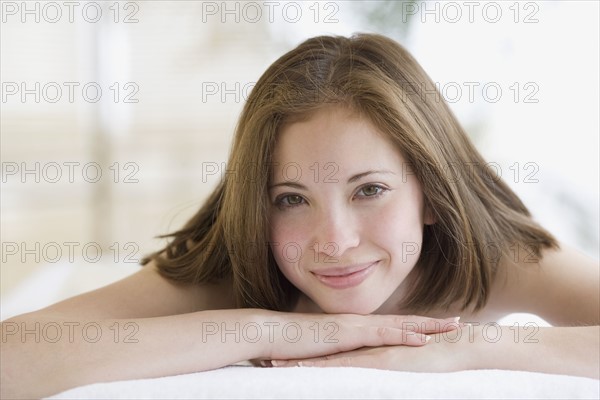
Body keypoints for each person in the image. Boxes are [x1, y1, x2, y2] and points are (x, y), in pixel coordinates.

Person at [2, 33, 598, 399]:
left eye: (369, 190)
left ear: (433, 193)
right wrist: (272, 328)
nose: (333, 242)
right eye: (290, 199)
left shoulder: (496, 261)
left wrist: (467, 349)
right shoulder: (235, 269)